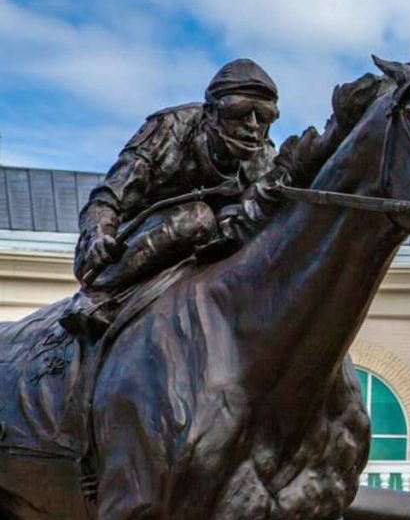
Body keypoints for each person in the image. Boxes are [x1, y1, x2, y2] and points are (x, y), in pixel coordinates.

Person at [60, 58, 281, 340]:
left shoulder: (263, 157)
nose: (252, 125)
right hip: (119, 250)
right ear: (211, 112)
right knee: (198, 217)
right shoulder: (168, 128)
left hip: (204, 250)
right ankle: (98, 293)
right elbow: (107, 198)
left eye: (263, 116)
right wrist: (98, 235)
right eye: (239, 112)